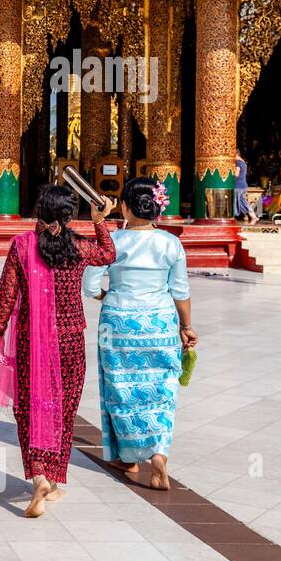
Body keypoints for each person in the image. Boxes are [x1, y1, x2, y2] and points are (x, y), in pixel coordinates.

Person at [0, 186, 116, 519]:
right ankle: (54, 480)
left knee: (31, 407)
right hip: (71, 340)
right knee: (63, 408)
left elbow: (7, 292)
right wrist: (99, 220)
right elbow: (108, 254)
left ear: (38, 213)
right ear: (68, 215)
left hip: (32, 340)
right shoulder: (78, 246)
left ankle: (40, 476)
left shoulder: (21, 245)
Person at [84, 178, 196, 491]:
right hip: (160, 322)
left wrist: (112, 296)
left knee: (120, 388)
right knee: (160, 390)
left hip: (118, 322)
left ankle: (128, 455)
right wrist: (186, 327)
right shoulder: (171, 243)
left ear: (125, 207)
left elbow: (90, 287)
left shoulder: (111, 240)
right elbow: (181, 291)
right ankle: (158, 454)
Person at [235, 150, 252, 223]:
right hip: (243, 185)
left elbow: (236, 174)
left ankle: (234, 216)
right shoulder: (243, 162)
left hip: (238, 185)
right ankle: (247, 215)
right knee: (242, 202)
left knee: (236, 201)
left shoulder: (238, 162)